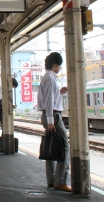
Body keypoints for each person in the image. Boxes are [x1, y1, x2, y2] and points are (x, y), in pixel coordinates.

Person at [37, 52, 71, 192]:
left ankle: (51, 180)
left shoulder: (46, 78)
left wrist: (59, 93)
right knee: (64, 146)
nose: (60, 68)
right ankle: (60, 181)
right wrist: (51, 120)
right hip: (53, 116)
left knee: (51, 145)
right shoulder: (51, 79)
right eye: (59, 65)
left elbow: (47, 98)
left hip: (48, 115)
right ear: (55, 65)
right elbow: (49, 101)